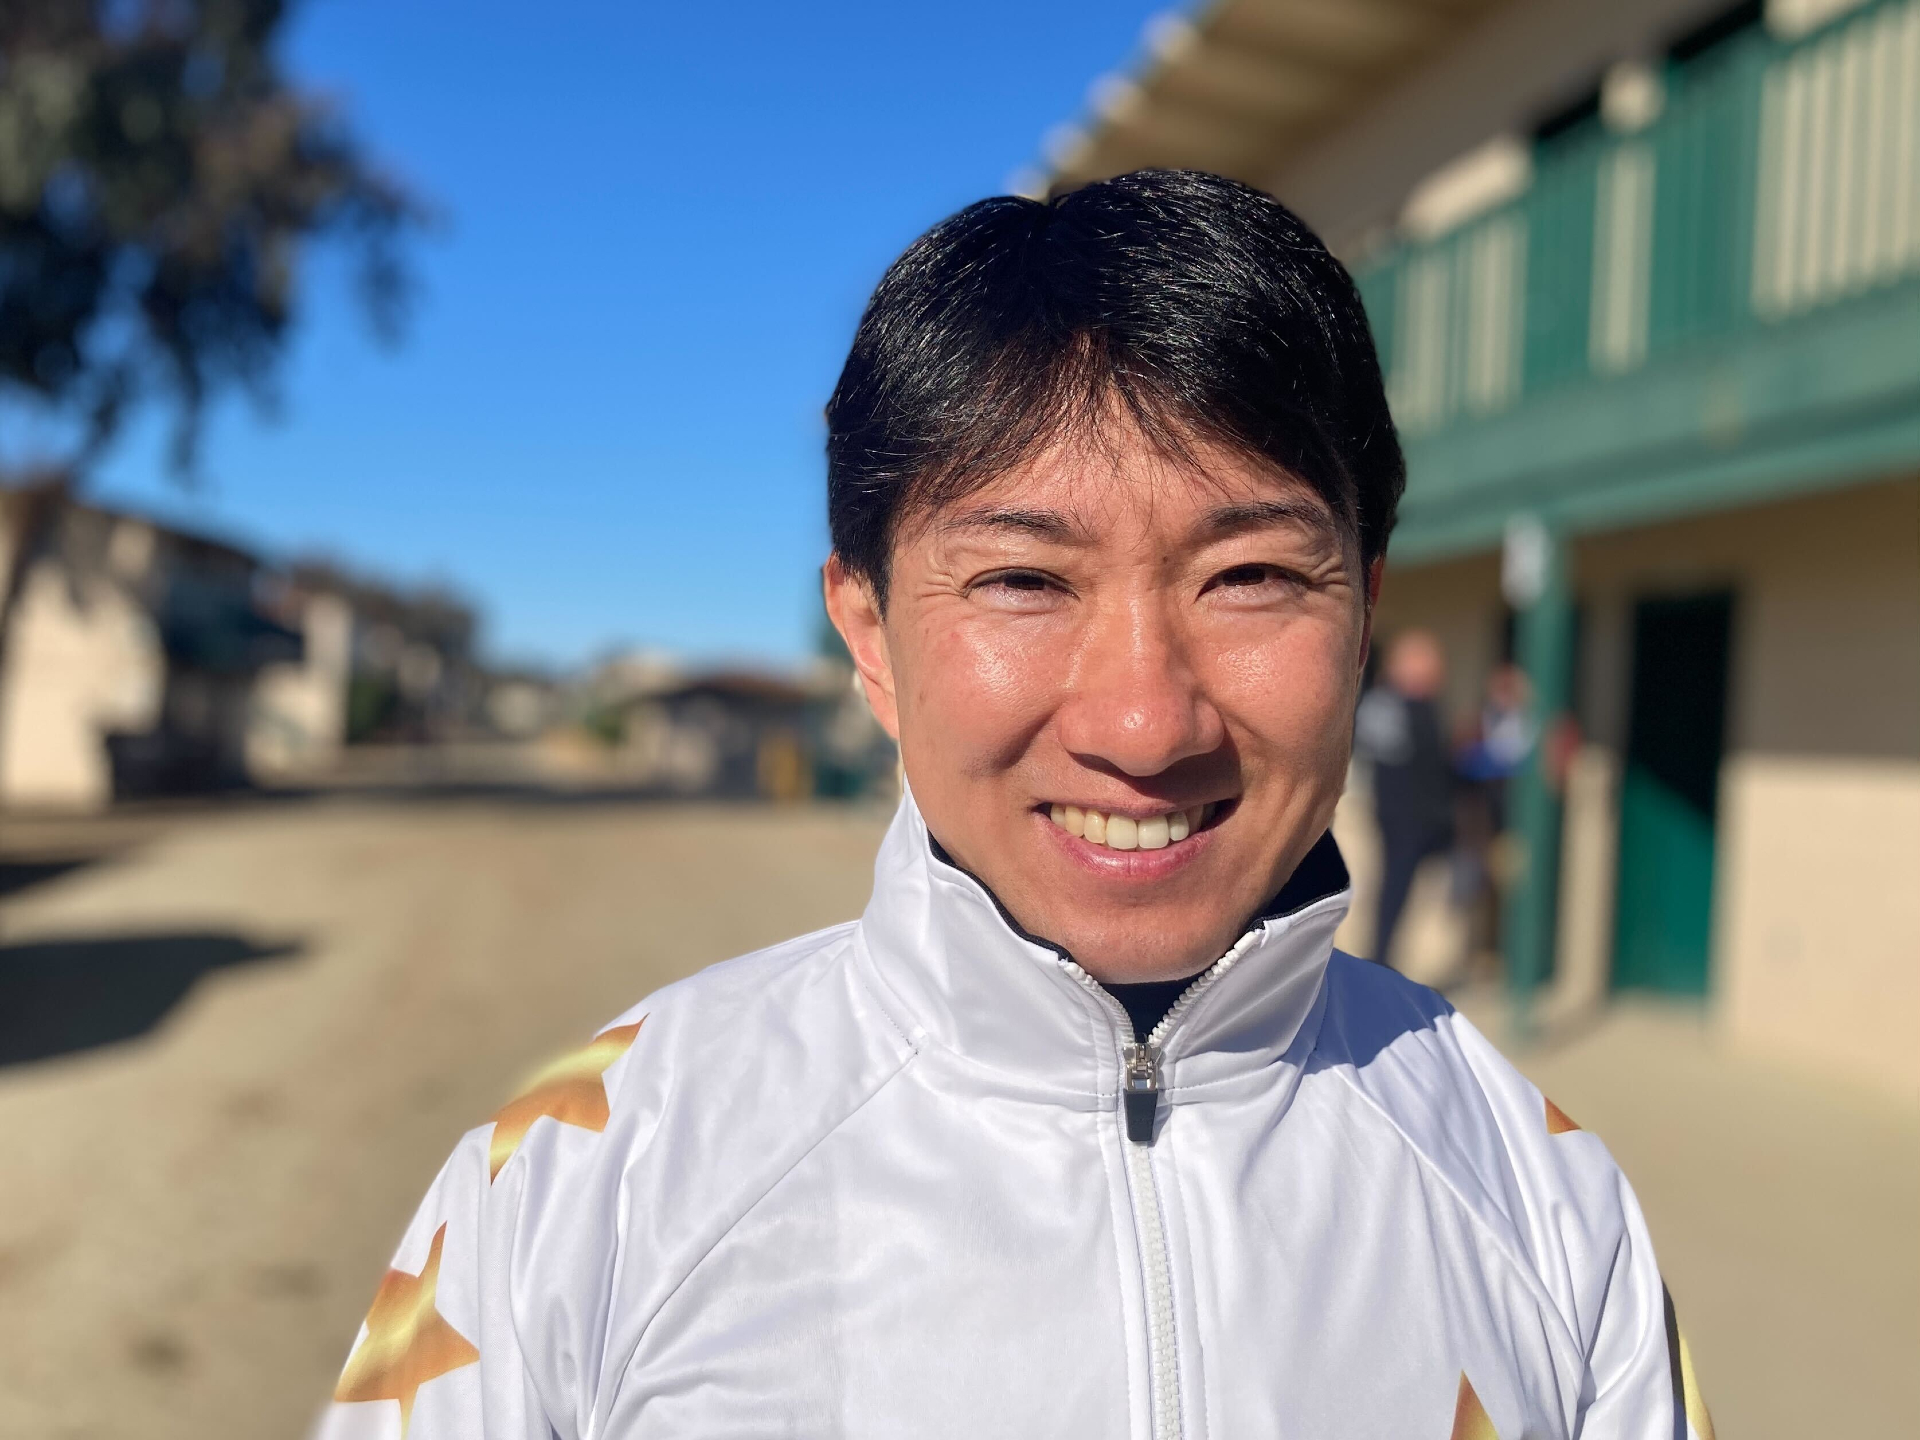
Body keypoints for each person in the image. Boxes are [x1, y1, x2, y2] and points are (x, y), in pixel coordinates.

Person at [318, 171, 1712, 1439]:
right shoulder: (584, 1176)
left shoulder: (1541, 1192)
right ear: (868, 634)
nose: (1144, 721)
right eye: (1024, 582)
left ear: (1363, 612)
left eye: (1251, 578)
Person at [1353, 629, 1455, 969]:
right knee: (1392, 894)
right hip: (1401, 820)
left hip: (1431, 823)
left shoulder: (1426, 707)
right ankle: (1381, 962)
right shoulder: (1387, 705)